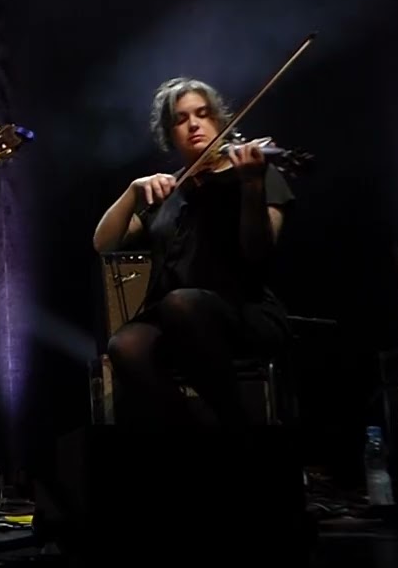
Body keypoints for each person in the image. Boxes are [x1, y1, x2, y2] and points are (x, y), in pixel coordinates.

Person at [92, 77, 295, 427]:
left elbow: (259, 250)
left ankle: (238, 427)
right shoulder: (169, 189)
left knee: (181, 304)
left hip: (242, 310)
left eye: (203, 114)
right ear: (170, 134)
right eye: (181, 119)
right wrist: (131, 193)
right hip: (175, 317)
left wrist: (251, 186)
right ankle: (195, 432)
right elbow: (103, 244)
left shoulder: (252, 174)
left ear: (219, 120)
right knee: (123, 345)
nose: (193, 125)